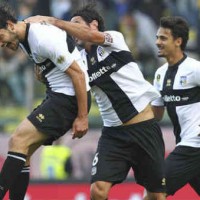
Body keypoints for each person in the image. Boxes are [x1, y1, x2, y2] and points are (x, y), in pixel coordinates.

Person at [26, 4, 166, 200]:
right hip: (113, 134)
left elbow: (90, 36)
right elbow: (54, 78)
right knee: (97, 191)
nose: (71, 29)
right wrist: (41, 67)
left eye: (76, 24)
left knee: (157, 195)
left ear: (93, 25)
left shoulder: (113, 39)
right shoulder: (78, 61)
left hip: (143, 127)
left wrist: (54, 21)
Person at [0, 2, 91, 200]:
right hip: (57, 95)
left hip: (69, 98)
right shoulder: (24, 34)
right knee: (22, 152)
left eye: (0, 37)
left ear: (9, 25)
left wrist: (83, 117)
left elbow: (78, 75)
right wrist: (41, 70)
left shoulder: (41, 38)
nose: (1, 44)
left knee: (17, 139)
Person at [150, 16, 200, 197]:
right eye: (157, 37)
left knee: (155, 190)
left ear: (178, 41)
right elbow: (156, 114)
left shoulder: (194, 69)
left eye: (163, 38)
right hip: (185, 142)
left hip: (193, 145)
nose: (157, 42)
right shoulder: (159, 74)